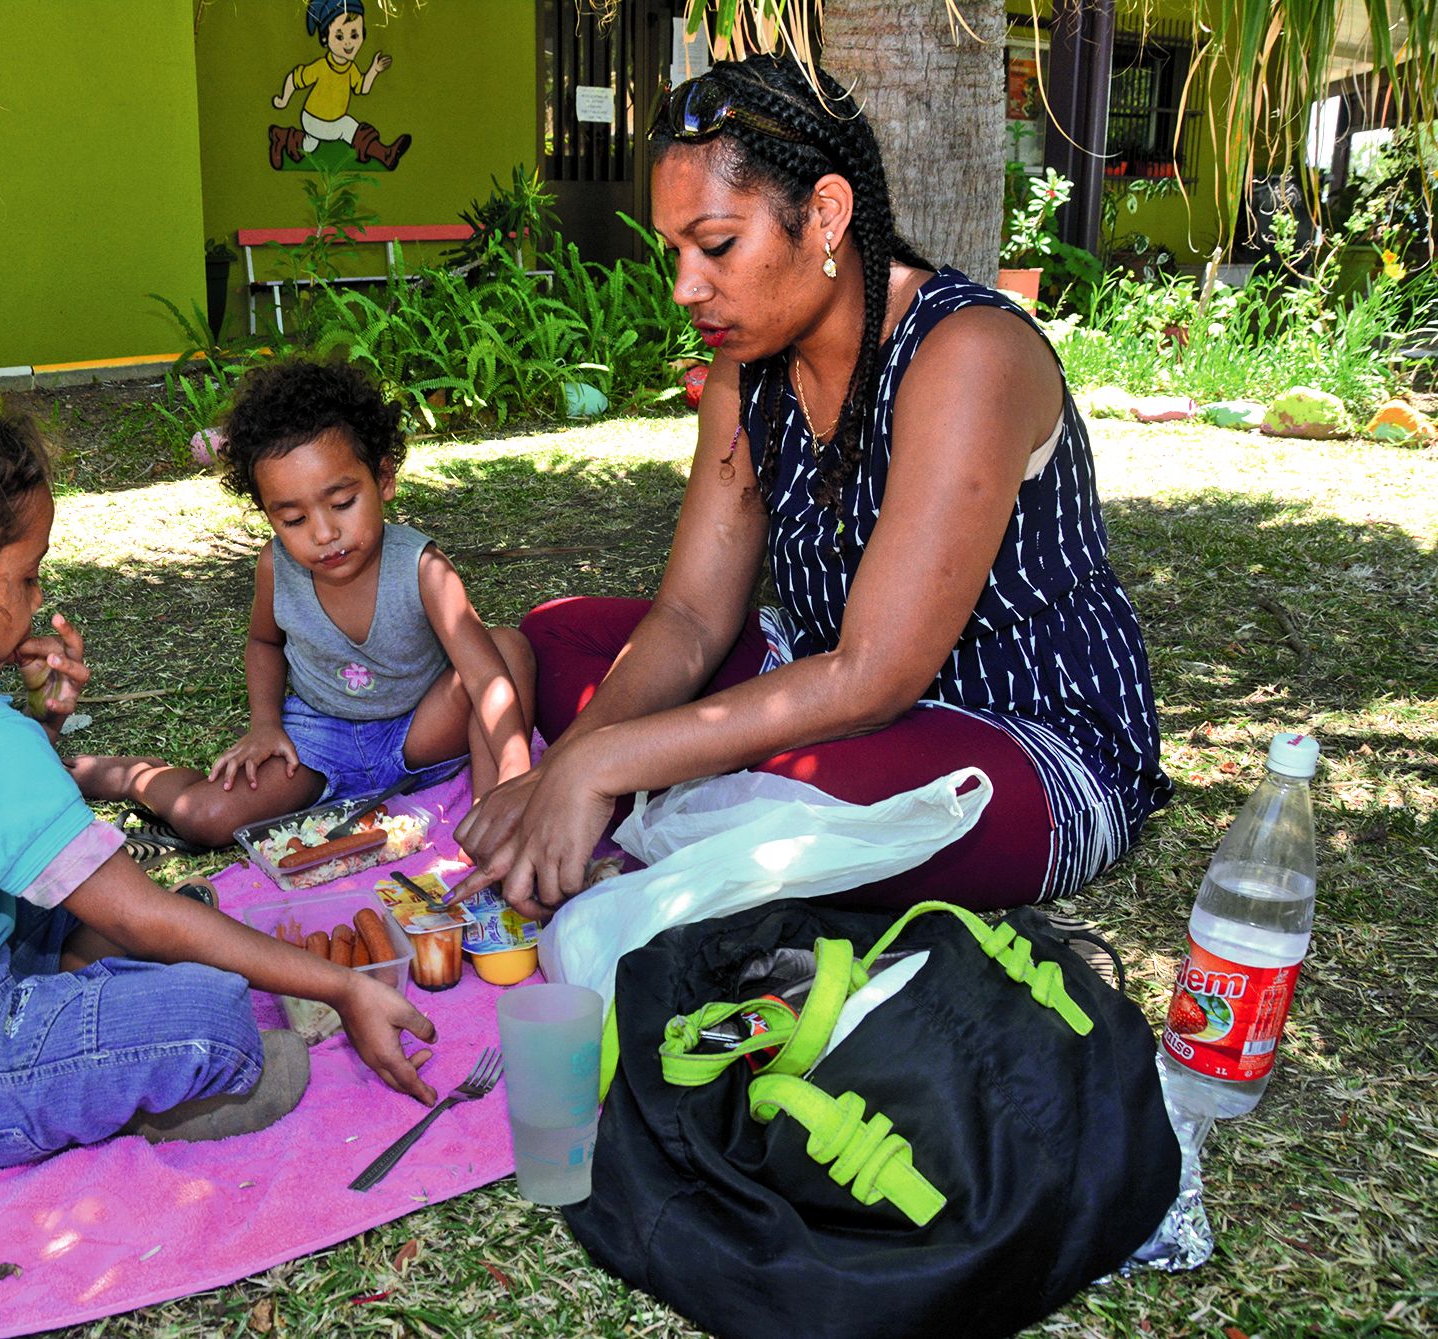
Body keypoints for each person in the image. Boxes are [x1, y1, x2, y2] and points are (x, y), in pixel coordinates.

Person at [454, 53, 1171, 921]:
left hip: (1019, 732)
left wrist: (595, 762)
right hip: (817, 676)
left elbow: (871, 679)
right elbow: (686, 617)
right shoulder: (744, 369)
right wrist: (597, 752)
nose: (686, 286)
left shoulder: (967, 353)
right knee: (562, 637)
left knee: (810, 797)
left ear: (826, 213)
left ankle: (688, 801)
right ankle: (691, 799)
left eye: (717, 244)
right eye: (676, 250)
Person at [0, 392, 436, 1195]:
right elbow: (135, 909)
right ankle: (112, 1048)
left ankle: (74, 988)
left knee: (155, 924)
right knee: (213, 1021)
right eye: (27, 577)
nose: (37, 598)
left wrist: (41, 731)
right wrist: (342, 984)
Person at [74, 358, 535, 849]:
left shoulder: (423, 570)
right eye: (293, 519)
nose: (323, 534)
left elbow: (485, 681)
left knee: (504, 649)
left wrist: (515, 775)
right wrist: (265, 726)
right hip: (317, 741)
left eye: (341, 504)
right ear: (269, 517)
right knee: (207, 816)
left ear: (383, 478)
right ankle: (129, 776)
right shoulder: (277, 567)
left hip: (419, 731)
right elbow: (262, 642)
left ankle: (500, 806)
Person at [268, 0, 410, 171]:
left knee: (308, 145)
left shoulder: (351, 69)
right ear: (325, 39)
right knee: (347, 126)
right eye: (339, 37)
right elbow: (295, 78)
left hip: (330, 120)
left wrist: (374, 70)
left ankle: (280, 136)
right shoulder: (321, 67)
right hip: (313, 118)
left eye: (354, 35)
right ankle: (384, 154)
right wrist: (283, 100)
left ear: (363, 35)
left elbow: (362, 88)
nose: (348, 44)